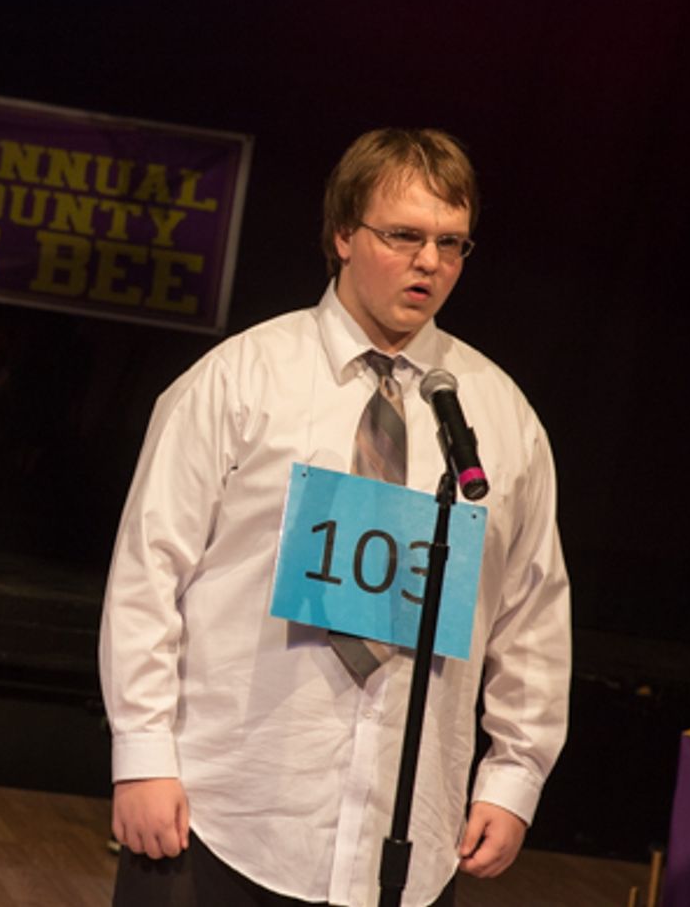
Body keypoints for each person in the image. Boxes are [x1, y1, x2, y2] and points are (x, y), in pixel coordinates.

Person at [99, 128, 570, 906]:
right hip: (224, 813)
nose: (429, 262)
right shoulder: (240, 380)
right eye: (404, 236)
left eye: (451, 243)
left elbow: (532, 611)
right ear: (344, 234)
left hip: (407, 831)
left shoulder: (497, 414)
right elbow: (149, 574)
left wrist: (515, 773)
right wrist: (142, 754)